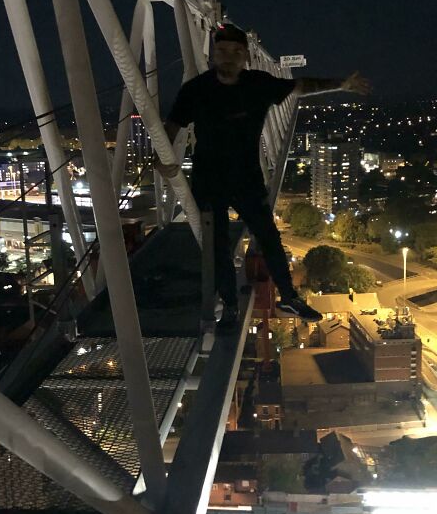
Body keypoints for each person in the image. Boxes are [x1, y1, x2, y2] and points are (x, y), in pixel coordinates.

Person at [155, 23, 370, 329]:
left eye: (235, 52)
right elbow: (172, 126)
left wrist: (341, 85)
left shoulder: (258, 84)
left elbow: (300, 87)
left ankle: (289, 297)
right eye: (222, 51)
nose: (228, 57)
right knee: (217, 247)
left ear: (246, 57)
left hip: (246, 178)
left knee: (268, 236)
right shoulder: (195, 90)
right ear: (214, 54)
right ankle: (229, 305)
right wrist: (163, 159)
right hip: (209, 179)